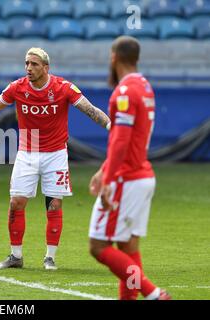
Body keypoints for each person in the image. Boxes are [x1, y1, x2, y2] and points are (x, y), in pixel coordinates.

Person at [0, 48, 110, 270]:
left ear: (46, 68)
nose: (29, 68)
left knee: (54, 205)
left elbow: (89, 109)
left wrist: (112, 126)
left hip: (56, 154)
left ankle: (50, 257)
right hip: (27, 153)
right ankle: (16, 256)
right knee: (16, 202)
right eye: (27, 63)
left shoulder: (63, 88)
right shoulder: (17, 87)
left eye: (34, 64)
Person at [88, 36, 171, 300]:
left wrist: (108, 180)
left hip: (126, 179)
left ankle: (154, 294)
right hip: (142, 175)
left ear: (113, 57)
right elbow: (125, 138)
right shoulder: (144, 86)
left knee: (98, 246)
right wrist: (104, 168)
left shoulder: (124, 92)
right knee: (127, 247)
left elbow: (121, 139)